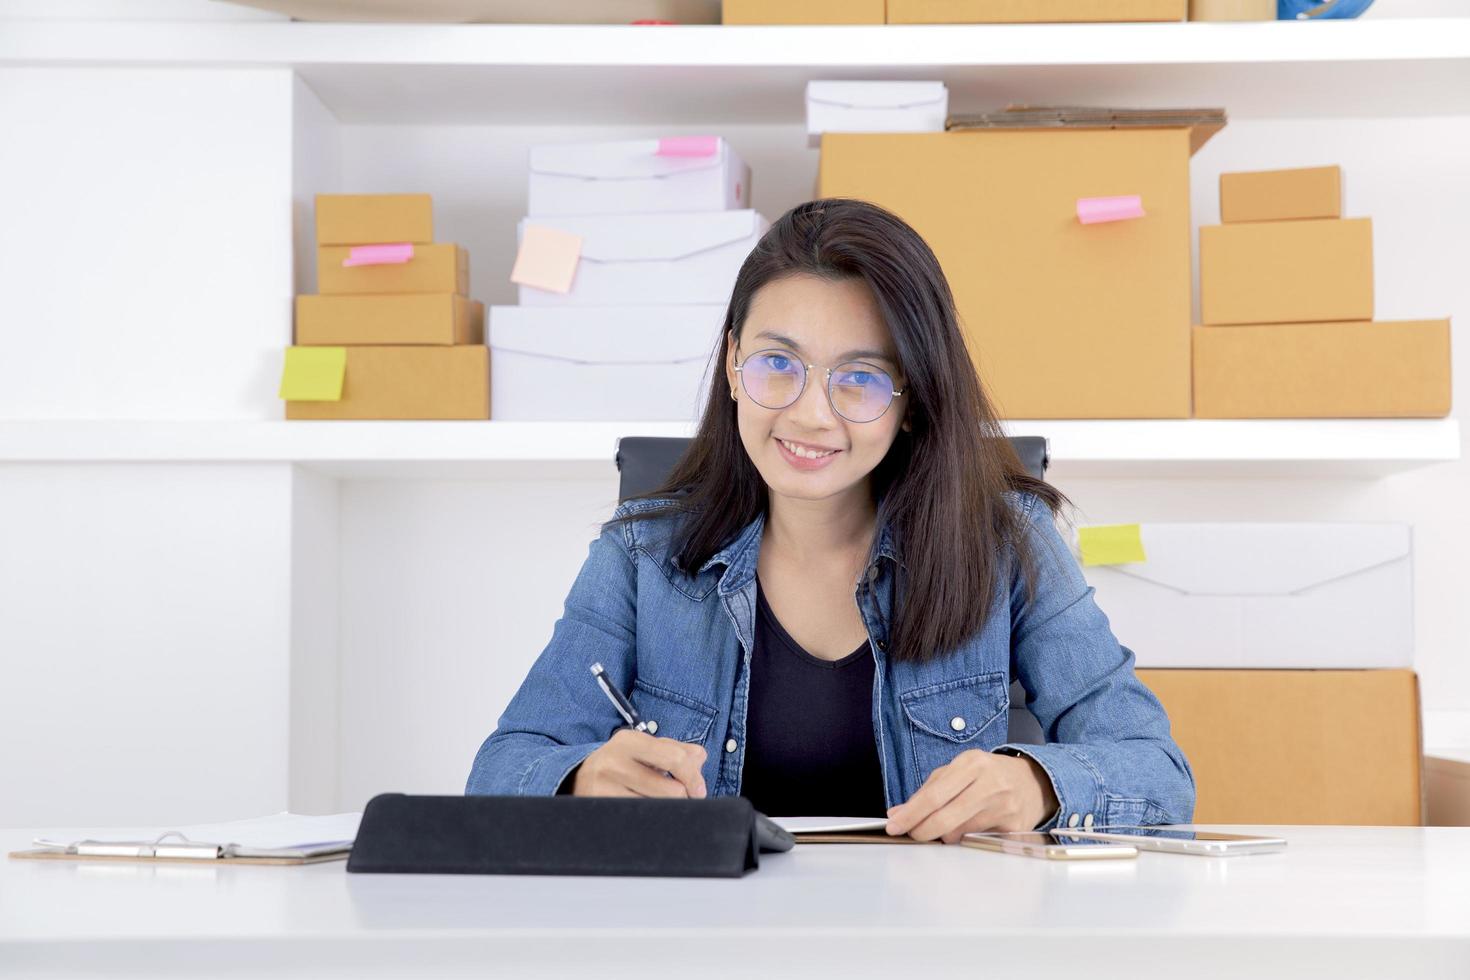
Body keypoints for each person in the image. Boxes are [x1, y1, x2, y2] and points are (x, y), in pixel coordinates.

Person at [466, 198, 1194, 842]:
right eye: (777, 363)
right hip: (706, 941)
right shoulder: (639, 555)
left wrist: (1039, 786)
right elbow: (504, 766)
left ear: (913, 399)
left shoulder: (1006, 543)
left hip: (936, 942)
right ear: (731, 363)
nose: (811, 414)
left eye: (862, 378)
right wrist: (579, 779)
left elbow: (1159, 770)